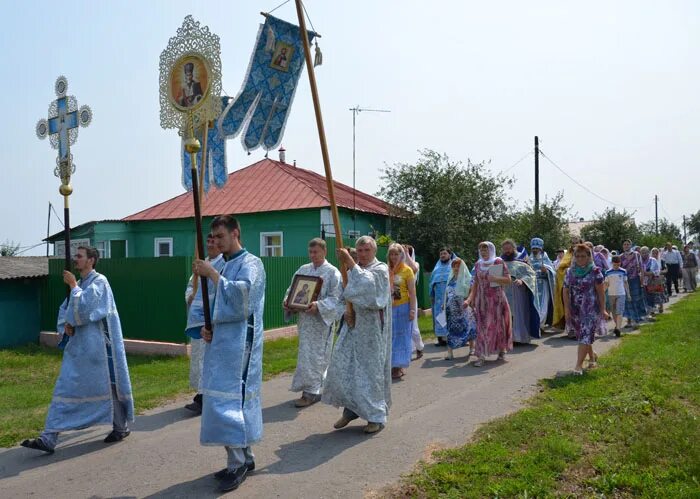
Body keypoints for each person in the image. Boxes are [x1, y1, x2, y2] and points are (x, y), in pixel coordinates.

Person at [21, 246, 134, 453]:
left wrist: (73, 285)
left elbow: (85, 310)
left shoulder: (100, 282)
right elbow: (66, 311)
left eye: (80, 256)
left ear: (91, 260)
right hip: (79, 350)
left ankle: (120, 427)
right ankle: (48, 438)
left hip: (99, 349)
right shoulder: (82, 284)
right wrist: (66, 325)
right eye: (75, 256)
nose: (76, 259)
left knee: (109, 387)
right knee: (66, 388)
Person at [192, 215, 266, 493]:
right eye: (214, 237)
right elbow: (206, 303)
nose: (216, 241)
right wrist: (205, 327)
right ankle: (244, 458)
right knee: (221, 400)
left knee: (231, 402)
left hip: (240, 346)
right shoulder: (220, 263)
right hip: (220, 343)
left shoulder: (252, 264)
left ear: (235, 233)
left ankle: (237, 463)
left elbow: (242, 301)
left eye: (221, 236)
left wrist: (212, 274)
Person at [323, 236, 392, 434]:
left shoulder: (380, 270)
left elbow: (369, 292)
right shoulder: (354, 269)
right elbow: (346, 293)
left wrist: (350, 262)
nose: (362, 254)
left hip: (371, 331)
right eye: (359, 251)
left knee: (369, 372)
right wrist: (347, 310)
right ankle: (351, 410)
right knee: (344, 365)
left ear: (374, 251)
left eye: (366, 250)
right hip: (352, 325)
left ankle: (375, 416)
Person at [284, 238, 342, 408]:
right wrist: (288, 302)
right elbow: (292, 290)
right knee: (305, 356)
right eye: (310, 252)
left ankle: (312, 392)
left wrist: (318, 305)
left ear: (324, 251)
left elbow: (337, 298)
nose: (313, 255)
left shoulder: (333, 273)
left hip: (321, 322)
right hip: (305, 322)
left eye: (316, 252)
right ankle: (310, 388)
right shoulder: (303, 269)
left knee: (319, 357)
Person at [184, 233, 225, 415]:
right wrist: (190, 297)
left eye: (212, 241)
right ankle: (202, 394)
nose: (209, 244)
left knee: (211, 360)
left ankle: (205, 397)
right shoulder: (200, 264)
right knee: (200, 359)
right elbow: (190, 287)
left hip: (213, 319)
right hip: (198, 320)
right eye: (207, 241)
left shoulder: (223, 264)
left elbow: (222, 287)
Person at [464, 242, 513, 367]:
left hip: (496, 300)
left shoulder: (498, 262)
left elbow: (508, 280)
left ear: (491, 250)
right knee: (481, 327)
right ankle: (481, 355)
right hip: (481, 301)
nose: (483, 252)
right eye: (481, 249)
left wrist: (496, 279)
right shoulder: (478, 264)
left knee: (497, 326)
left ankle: (501, 350)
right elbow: (475, 284)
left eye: (485, 249)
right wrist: (470, 299)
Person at [563, 244, 609, 375]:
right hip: (575, 308)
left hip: (590, 309)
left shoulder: (595, 271)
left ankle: (578, 366)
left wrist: (603, 309)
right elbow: (565, 291)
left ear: (589, 256)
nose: (580, 258)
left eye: (583, 256)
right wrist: (566, 309)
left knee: (585, 334)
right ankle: (592, 356)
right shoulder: (569, 271)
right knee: (583, 335)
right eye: (577, 256)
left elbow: (601, 293)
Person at [501, 239, 541, 344]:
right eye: (505, 249)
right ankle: (507, 338)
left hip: (518, 292)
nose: (507, 251)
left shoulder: (522, 260)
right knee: (505, 314)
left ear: (514, 248)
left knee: (518, 315)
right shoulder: (499, 262)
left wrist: (522, 280)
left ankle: (518, 338)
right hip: (503, 291)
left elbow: (531, 274)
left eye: (509, 248)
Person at [387, 243, 416, 379]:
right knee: (390, 337)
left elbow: (412, 292)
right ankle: (391, 364)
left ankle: (398, 366)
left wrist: (412, 310)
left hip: (403, 307)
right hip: (389, 308)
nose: (393, 257)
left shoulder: (407, 270)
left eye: (396, 254)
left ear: (401, 255)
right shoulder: (386, 270)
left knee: (402, 337)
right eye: (391, 254)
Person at [444, 258, 477, 360]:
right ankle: (450, 353)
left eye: (458, 266)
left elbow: (472, 292)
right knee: (450, 330)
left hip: (464, 308)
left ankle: (472, 348)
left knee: (469, 328)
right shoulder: (450, 279)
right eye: (454, 266)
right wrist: (443, 304)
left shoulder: (468, 278)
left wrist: (468, 301)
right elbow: (446, 293)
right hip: (452, 310)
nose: (456, 268)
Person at [553, 237, 581, 332]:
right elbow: (560, 269)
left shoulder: (584, 253)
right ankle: (571, 329)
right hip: (570, 284)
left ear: (580, 242)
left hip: (582, 284)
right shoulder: (568, 254)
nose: (574, 244)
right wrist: (568, 271)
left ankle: (580, 328)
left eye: (576, 242)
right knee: (570, 306)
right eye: (573, 243)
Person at [429, 247, 455, 346]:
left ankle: (452, 338)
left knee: (451, 316)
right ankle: (441, 339)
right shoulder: (436, 268)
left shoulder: (453, 266)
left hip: (450, 296)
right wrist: (431, 294)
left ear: (449, 255)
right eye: (441, 254)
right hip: (439, 298)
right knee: (439, 317)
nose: (443, 256)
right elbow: (431, 282)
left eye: (444, 253)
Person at [529, 237, 556, 330]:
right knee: (533, 305)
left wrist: (546, 271)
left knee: (543, 305)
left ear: (541, 249)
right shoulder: (528, 259)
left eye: (537, 248)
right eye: (533, 248)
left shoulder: (545, 258)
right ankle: (535, 324)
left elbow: (553, 271)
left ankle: (540, 324)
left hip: (543, 285)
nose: (535, 250)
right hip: (532, 285)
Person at [403, 244, 425, 360]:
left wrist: (407, 254)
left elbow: (414, 269)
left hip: (411, 298)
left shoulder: (415, 264)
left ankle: (420, 347)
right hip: (398, 299)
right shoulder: (398, 266)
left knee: (413, 326)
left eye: (407, 252)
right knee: (401, 326)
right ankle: (405, 351)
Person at [621, 239, 647, 328]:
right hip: (625, 281)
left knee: (636, 299)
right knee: (627, 300)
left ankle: (636, 319)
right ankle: (628, 321)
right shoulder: (621, 257)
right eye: (624, 244)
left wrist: (642, 280)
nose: (626, 246)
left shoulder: (636, 255)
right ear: (623, 246)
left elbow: (641, 268)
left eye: (628, 244)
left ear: (631, 245)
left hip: (635, 280)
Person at [605, 255, 631, 336]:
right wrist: (602, 292)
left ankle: (618, 329)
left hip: (621, 293)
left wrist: (628, 294)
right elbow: (606, 284)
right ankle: (617, 326)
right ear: (612, 263)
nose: (616, 266)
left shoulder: (623, 271)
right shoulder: (608, 272)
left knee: (619, 311)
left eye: (618, 264)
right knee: (613, 311)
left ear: (620, 263)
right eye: (615, 264)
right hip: (611, 294)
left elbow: (626, 283)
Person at [640, 246, 664, 316]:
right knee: (644, 296)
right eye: (642, 252)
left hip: (651, 281)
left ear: (648, 252)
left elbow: (658, 271)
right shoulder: (639, 260)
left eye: (645, 252)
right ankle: (648, 310)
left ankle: (651, 310)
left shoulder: (653, 260)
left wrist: (650, 273)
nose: (644, 254)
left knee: (651, 296)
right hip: (641, 281)